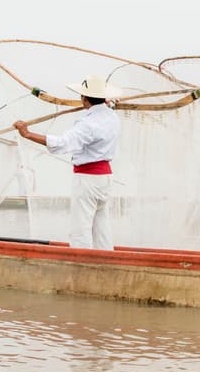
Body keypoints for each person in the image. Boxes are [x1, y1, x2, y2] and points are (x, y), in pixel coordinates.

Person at [14, 74, 121, 250]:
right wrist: (105, 105)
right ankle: (106, 259)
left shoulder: (88, 124)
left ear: (84, 98)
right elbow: (106, 109)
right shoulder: (112, 117)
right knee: (101, 226)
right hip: (105, 179)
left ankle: (80, 265)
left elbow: (62, 143)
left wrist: (28, 134)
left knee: (80, 229)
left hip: (88, 179)